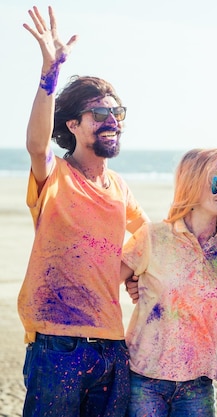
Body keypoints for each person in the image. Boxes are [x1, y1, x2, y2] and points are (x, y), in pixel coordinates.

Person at [19, 6, 148, 417]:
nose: (113, 121)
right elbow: (37, 145)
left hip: (111, 346)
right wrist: (49, 74)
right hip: (57, 344)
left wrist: (136, 274)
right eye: (101, 113)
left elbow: (152, 236)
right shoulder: (54, 176)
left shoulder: (119, 187)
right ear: (73, 125)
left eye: (118, 113)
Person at [121, 149, 217, 416]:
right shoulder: (153, 236)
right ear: (192, 185)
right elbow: (104, 284)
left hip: (198, 383)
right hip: (144, 378)